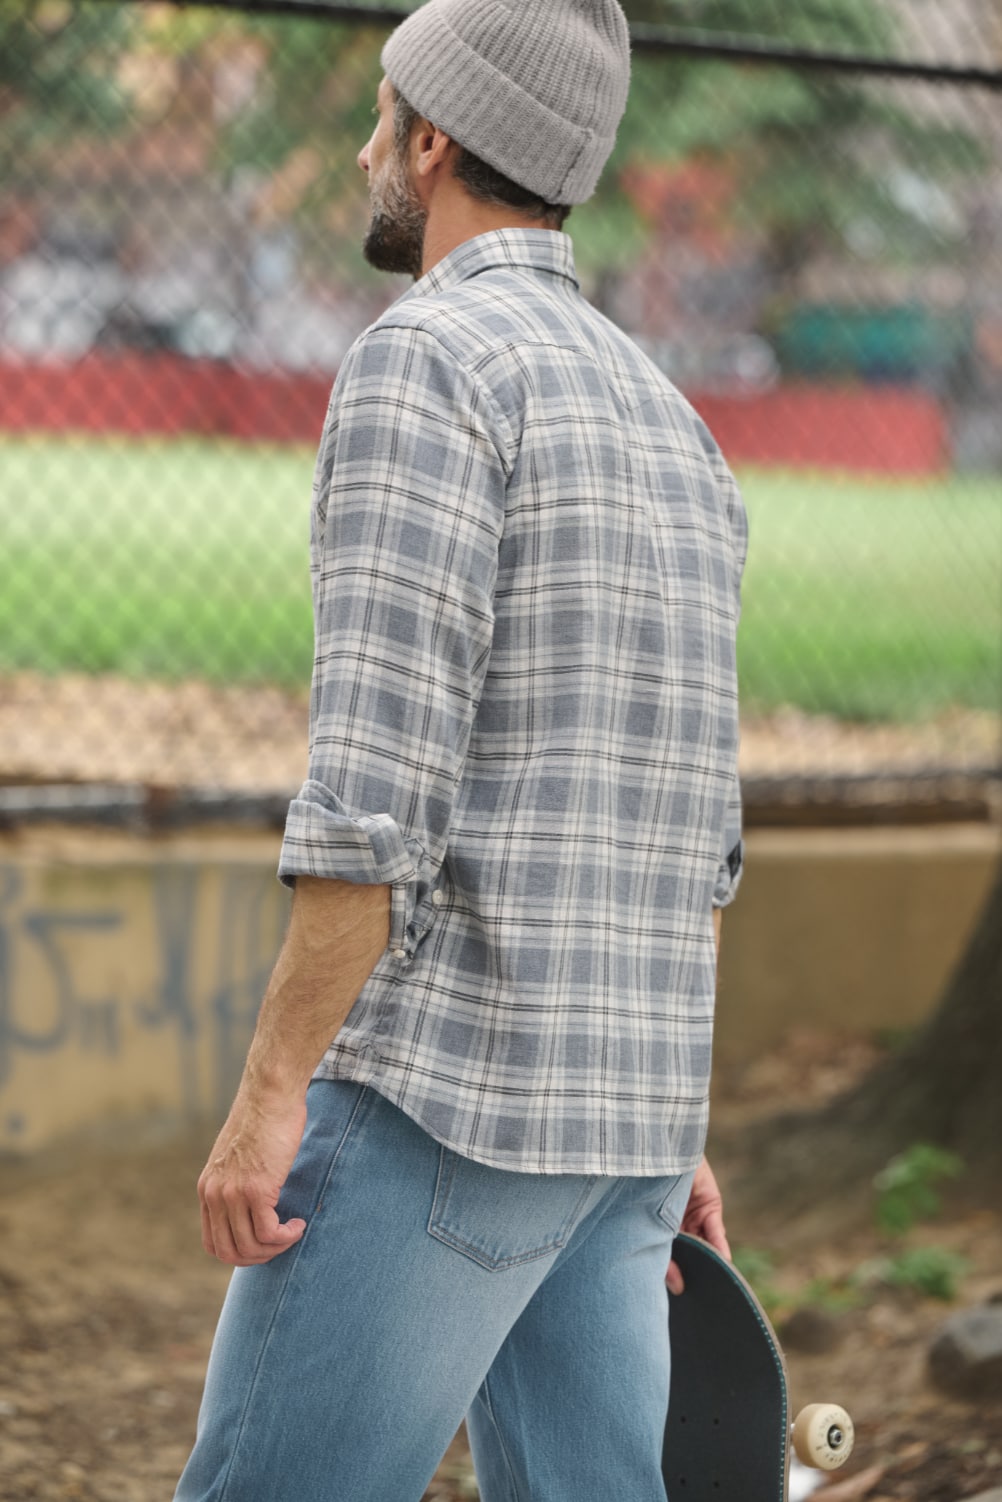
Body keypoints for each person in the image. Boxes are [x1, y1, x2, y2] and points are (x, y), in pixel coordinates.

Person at [175, 1, 747, 1498]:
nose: (366, 144)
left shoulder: (423, 362)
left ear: (431, 144)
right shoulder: (676, 423)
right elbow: (689, 816)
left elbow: (373, 799)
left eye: (382, 117)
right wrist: (670, 1124)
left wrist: (270, 1090)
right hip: (622, 1133)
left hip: (450, 1103)